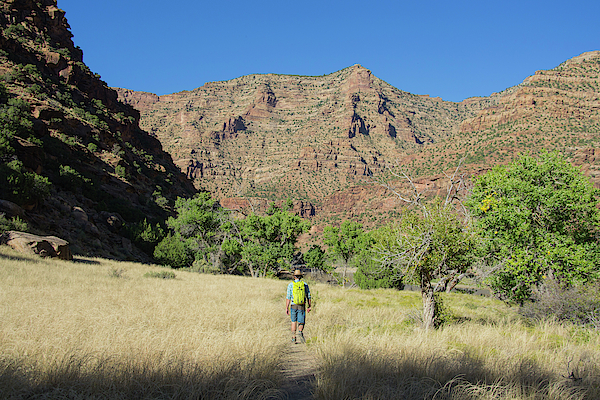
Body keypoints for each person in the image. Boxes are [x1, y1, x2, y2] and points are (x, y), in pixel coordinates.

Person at [286, 269, 312, 343]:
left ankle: (293, 337)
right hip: (301, 305)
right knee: (301, 321)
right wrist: (309, 306)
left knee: (293, 321)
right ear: (301, 276)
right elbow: (308, 296)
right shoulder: (304, 284)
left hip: (293, 305)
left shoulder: (291, 285)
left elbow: (288, 297)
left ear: (294, 276)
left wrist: (286, 307)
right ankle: (300, 332)